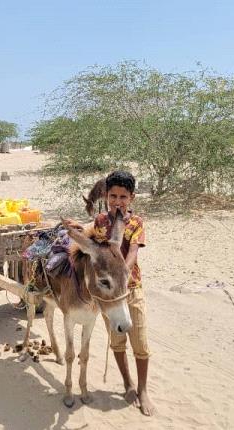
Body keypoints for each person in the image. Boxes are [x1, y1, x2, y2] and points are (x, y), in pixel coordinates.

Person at [90, 170, 155, 416]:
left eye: (123, 197)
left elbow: (133, 252)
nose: (118, 201)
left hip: (131, 288)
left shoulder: (136, 222)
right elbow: (98, 253)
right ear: (106, 196)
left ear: (132, 198)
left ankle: (143, 389)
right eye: (113, 196)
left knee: (140, 341)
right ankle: (127, 383)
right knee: (117, 341)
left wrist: (122, 274)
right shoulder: (100, 222)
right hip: (110, 295)